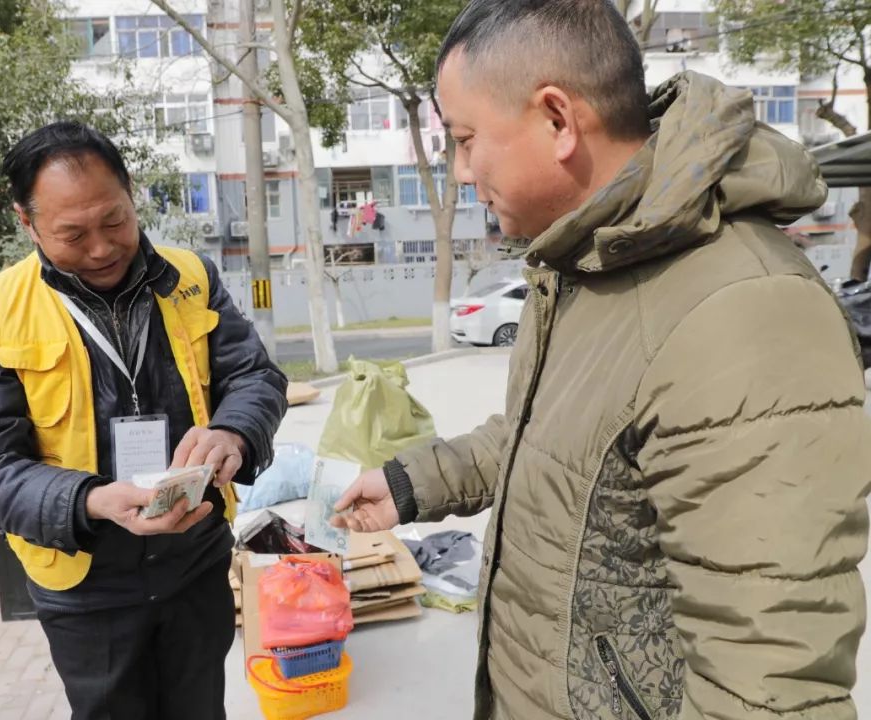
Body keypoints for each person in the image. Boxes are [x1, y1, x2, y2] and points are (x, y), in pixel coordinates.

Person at [332, 1, 871, 718]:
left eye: (466, 139)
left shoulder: (745, 311)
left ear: (558, 121)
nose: (461, 172)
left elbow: (768, 686)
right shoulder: (586, 263)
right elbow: (552, 443)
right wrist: (406, 484)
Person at [0, 121, 287, 720]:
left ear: (132, 195)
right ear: (26, 224)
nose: (102, 248)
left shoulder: (192, 279)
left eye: (115, 221)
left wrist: (234, 430)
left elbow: (254, 378)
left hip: (194, 560)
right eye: (72, 234)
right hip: (86, 586)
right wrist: (92, 499)